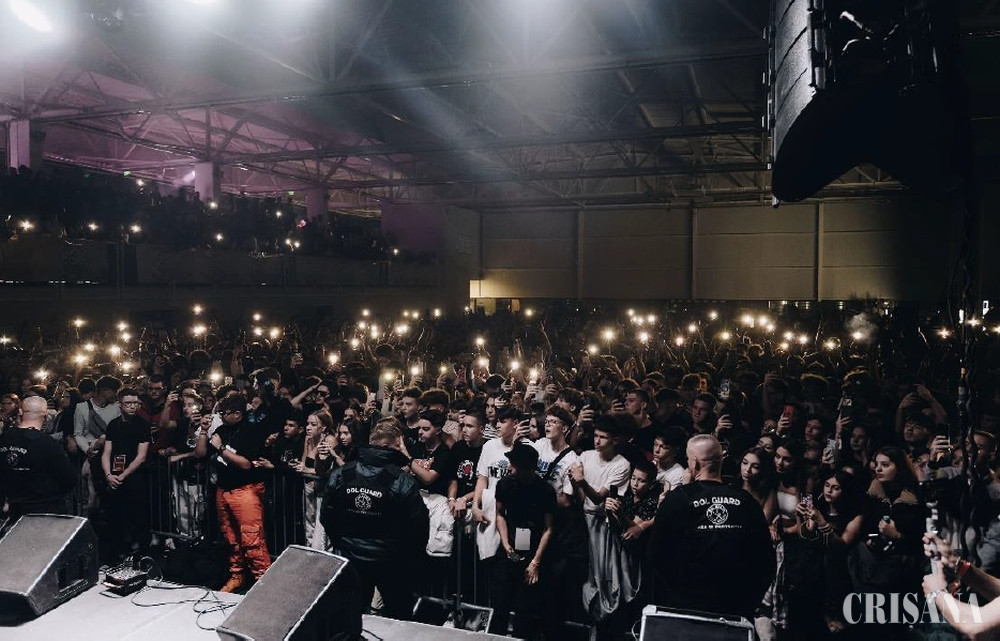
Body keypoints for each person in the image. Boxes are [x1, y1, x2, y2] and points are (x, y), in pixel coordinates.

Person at [649, 434, 775, 619]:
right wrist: (747, 605)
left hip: (685, 608)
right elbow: (765, 560)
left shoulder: (678, 498)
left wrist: (672, 600)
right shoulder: (746, 501)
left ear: (694, 463)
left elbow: (657, 554)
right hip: (733, 609)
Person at [321, 417, 429, 621]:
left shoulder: (343, 474)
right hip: (392, 561)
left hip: (352, 556)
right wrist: (408, 556)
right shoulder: (401, 480)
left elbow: (327, 516)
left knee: (351, 619)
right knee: (398, 620)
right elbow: (419, 526)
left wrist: (342, 542)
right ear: (391, 446)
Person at [196, 394, 272, 593]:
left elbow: (246, 464)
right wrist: (203, 431)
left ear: (237, 414)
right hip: (223, 490)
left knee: (252, 539)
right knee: (231, 538)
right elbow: (201, 453)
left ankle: (263, 584)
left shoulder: (252, 431)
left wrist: (221, 448)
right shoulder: (221, 430)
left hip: (245, 490)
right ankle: (237, 576)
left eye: (224, 413)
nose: (220, 416)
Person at [489, 443, 556, 638]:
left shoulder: (545, 491)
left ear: (526, 468)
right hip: (509, 548)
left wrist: (536, 562)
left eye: (514, 465)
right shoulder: (505, 484)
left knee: (525, 610)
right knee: (500, 605)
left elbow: (548, 528)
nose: (510, 468)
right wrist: (505, 543)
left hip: (533, 550)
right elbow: (499, 514)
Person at [0, 396, 77, 527]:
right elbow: (69, 478)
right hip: (44, 512)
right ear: (45, 416)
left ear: (20, 412)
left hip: (12, 512)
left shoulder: (3, 439)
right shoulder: (47, 443)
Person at [101, 388, 151, 558]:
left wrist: (122, 476)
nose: (133, 406)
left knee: (139, 515)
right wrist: (108, 475)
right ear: (120, 404)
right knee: (116, 516)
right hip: (115, 475)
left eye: (136, 403)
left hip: (135, 477)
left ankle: (141, 552)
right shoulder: (113, 425)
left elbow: (141, 457)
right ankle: (119, 550)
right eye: (128, 403)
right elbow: (106, 452)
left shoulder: (143, 425)